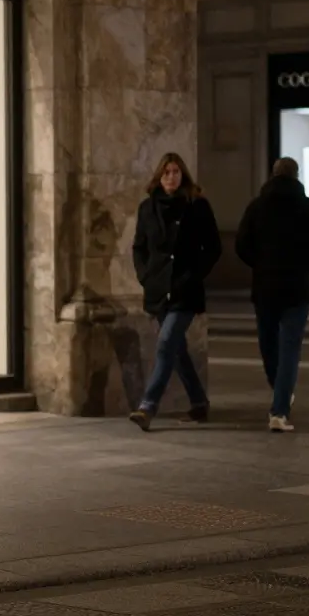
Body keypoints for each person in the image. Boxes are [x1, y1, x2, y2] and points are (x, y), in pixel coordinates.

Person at [235, 157, 309, 433]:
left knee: (268, 344)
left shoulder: (256, 208)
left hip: (265, 286)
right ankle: (279, 411)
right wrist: (306, 262)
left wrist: (261, 262)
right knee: (290, 347)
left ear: (272, 175)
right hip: (298, 287)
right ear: (296, 176)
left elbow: (242, 245)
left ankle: (279, 388)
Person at [129, 153, 222, 432]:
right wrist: (146, 276)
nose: (171, 177)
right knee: (177, 349)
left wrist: (194, 275)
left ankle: (148, 406)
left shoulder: (197, 206)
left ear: (183, 176)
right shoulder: (148, 208)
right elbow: (139, 247)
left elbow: (214, 248)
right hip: (159, 289)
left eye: (176, 172)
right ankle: (198, 401)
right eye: (167, 172)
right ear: (159, 177)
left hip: (185, 290)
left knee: (167, 341)